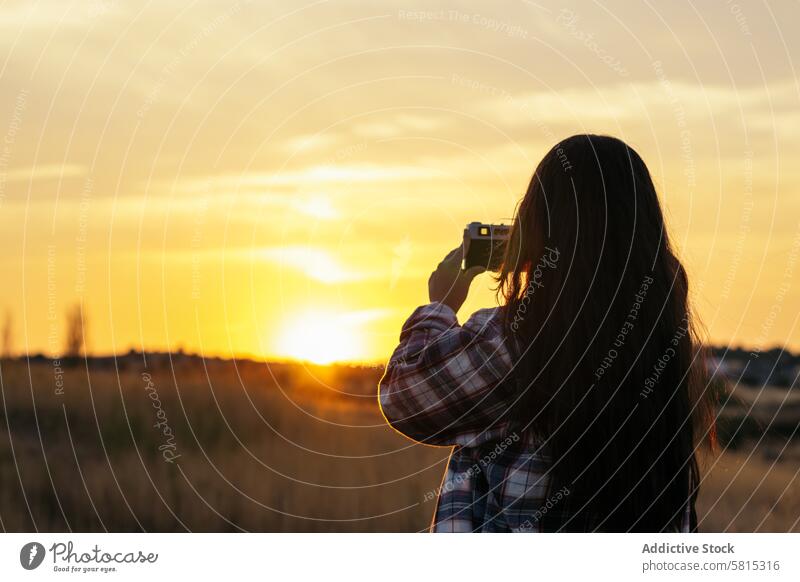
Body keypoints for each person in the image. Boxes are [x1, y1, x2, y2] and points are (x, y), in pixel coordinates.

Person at [379, 134, 718, 532]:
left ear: (538, 227)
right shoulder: (661, 346)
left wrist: (442, 304)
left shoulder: (518, 342)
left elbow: (406, 399)